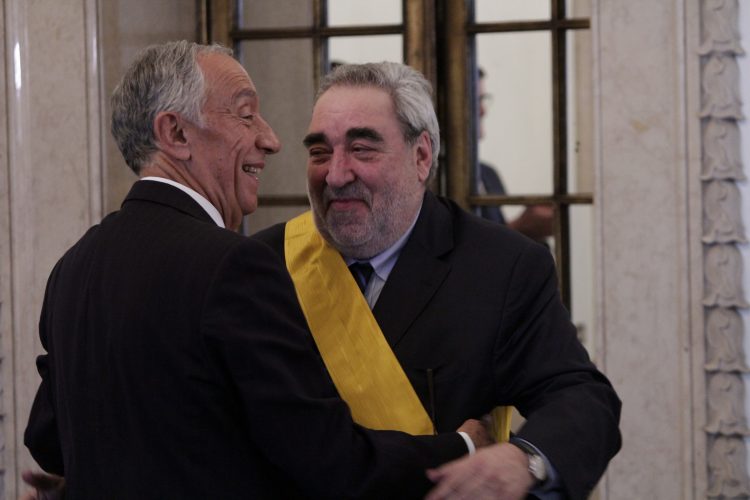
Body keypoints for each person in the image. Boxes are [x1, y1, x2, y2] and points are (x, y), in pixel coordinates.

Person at [22, 41, 490, 499]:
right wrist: (463, 446)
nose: (271, 139)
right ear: (176, 133)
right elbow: (328, 459)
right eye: (246, 115)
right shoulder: (233, 265)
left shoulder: (75, 266)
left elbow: (48, 439)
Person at [253, 62, 622, 500]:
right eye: (319, 152)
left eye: (362, 149)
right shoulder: (264, 265)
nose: (335, 174)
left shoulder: (502, 268)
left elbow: (582, 398)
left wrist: (525, 459)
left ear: (421, 156)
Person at [476, 68, 555, 241]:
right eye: (474, 101)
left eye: (483, 99)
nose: (483, 110)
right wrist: (519, 228)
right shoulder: (428, 177)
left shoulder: (488, 175)